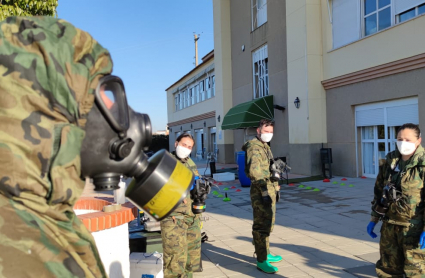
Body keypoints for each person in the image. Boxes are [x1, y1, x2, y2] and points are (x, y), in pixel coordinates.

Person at [0, 16, 194, 277]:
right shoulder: (24, 249)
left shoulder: (44, 216)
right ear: (42, 111)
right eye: (96, 98)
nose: (120, 116)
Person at [367, 123, 425, 277]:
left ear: (418, 140)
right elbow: (379, 191)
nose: (403, 143)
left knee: (416, 272)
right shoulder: (389, 161)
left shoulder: (423, 164)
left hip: (413, 229)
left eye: (408, 139)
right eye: (400, 139)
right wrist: (374, 217)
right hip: (389, 226)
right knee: (387, 269)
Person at [242, 119, 282, 274]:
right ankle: (261, 260)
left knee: (269, 224)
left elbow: (266, 168)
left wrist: (275, 177)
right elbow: (254, 172)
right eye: (266, 131)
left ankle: (265, 252)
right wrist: (265, 192)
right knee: (261, 226)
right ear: (258, 131)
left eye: (271, 131)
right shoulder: (254, 147)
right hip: (261, 192)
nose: (269, 134)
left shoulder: (264, 146)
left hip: (269, 188)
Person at [160, 133, 202, 278]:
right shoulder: (166, 162)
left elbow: (195, 184)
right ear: (176, 144)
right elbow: (159, 187)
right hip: (173, 217)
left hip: (191, 216)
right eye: (184, 145)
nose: (186, 149)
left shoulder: (190, 162)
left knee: (190, 258)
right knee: (175, 261)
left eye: (189, 147)